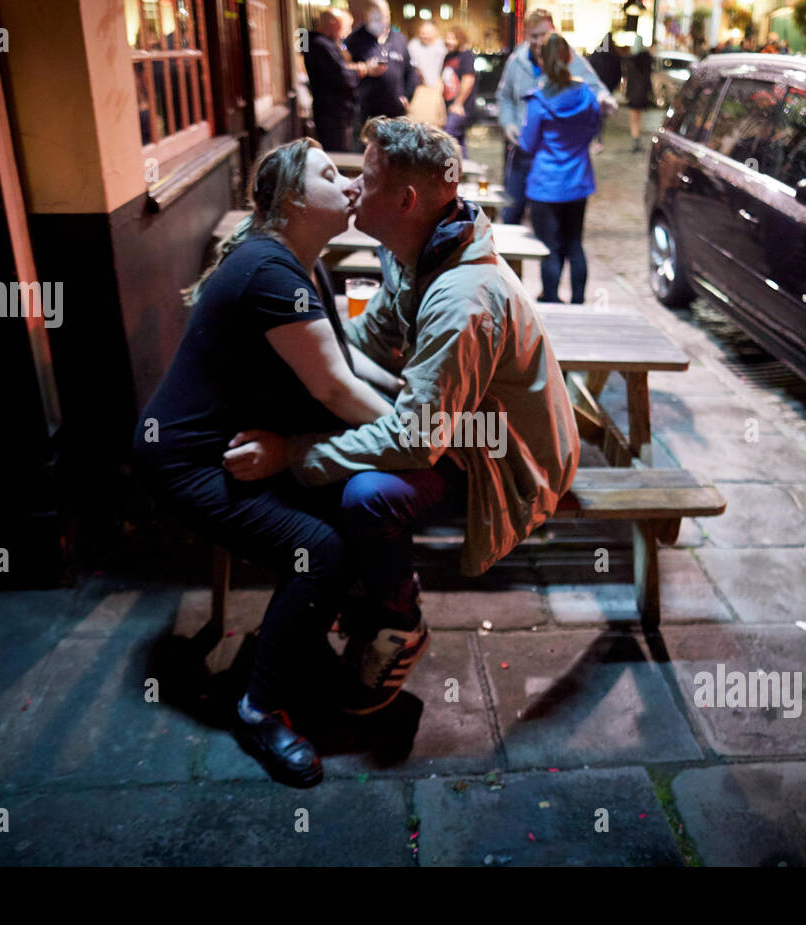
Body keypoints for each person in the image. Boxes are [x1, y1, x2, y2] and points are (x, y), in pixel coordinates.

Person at [222, 118, 580, 716]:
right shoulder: (416, 251)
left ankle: (398, 620)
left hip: (503, 455)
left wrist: (294, 454)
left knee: (367, 493)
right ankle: (356, 593)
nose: (355, 189)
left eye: (366, 177)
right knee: (351, 451)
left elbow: (416, 440)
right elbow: (367, 340)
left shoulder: (461, 298)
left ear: (407, 200)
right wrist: (300, 352)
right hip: (456, 427)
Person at [133, 140, 404, 789]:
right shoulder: (270, 273)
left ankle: (299, 646)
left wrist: (407, 396)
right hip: (189, 461)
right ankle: (256, 707)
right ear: (290, 200)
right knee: (322, 546)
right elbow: (336, 390)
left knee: (350, 509)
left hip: (237, 444)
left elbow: (346, 363)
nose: (347, 185)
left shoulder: (307, 266)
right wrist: (411, 434)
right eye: (330, 175)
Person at [496, 8, 616, 225]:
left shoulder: (570, 58)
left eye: (544, 34)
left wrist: (604, 100)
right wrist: (509, 124)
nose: (540, 41)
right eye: (534, 36)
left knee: (549, 227)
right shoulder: (517, 60)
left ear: (554, 31)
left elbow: (594, 88)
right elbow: (504, 98)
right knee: (511, 213)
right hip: (522, 152)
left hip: (551, 157)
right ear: (525, 35)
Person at [520, 32, 600, 304]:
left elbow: (528, 144)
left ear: (542, 60)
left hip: (546, 184)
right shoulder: (587, 95)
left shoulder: (538, 101)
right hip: (577, 180)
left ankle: (552, 299)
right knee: (575, 244)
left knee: (550, 248)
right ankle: (579, 301)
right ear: (568, 57)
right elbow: (594, 129)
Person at [304, 9, 372, 151]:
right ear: (333, 23)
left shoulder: (323, 43)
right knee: (337, 153)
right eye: (345, 26)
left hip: (335, 111)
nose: (346, 32)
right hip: (331, 113)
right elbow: (341, 76)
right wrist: (361, 70)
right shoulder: (319, 44)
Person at [345, 0, 420, 127]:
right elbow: (343, 69)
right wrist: (365, 68)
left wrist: (407, 96)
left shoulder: (399, 38)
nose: (380, 22)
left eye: (384, 17)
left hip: (395, 112)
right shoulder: (354, 39)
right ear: (366, 16)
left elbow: (410, 71)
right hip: (366, 113)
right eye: (375, 18)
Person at [441, 25, 476, 154]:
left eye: (452, 38)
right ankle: (460, 171)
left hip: (460, 108)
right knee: (458, 142)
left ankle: (450, 171)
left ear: (460, 40)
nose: (448, 41)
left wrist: (458, 103)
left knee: (447, 136)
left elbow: (468, 80)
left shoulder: (466, 56)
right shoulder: (448, 57)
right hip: (449, 107)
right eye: (447, 38)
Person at [587, 32, 622, 151]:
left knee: (597, 114)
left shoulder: (597, 54)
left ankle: (597, 137)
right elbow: (618, 73)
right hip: (607, 89)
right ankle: (598, 138)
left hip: (597, 90)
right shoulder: (614, 56)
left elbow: (589, 70)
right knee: (601, 115)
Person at [625, 34, 653, 150]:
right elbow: (648, 78)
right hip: (642, 93)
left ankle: (636, 139)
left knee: (633, 117)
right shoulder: (647, 60)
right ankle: (637, 138)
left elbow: (630, 79)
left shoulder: (631, 60)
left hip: (633, 93)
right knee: (638, 116)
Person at [408, 19, 446, 89]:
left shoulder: (443, 46)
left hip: (437, 87)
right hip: (418, 87)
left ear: (435, 32)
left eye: (428, 34)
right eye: (422, 33)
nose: (425, 36)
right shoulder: (413, 45)